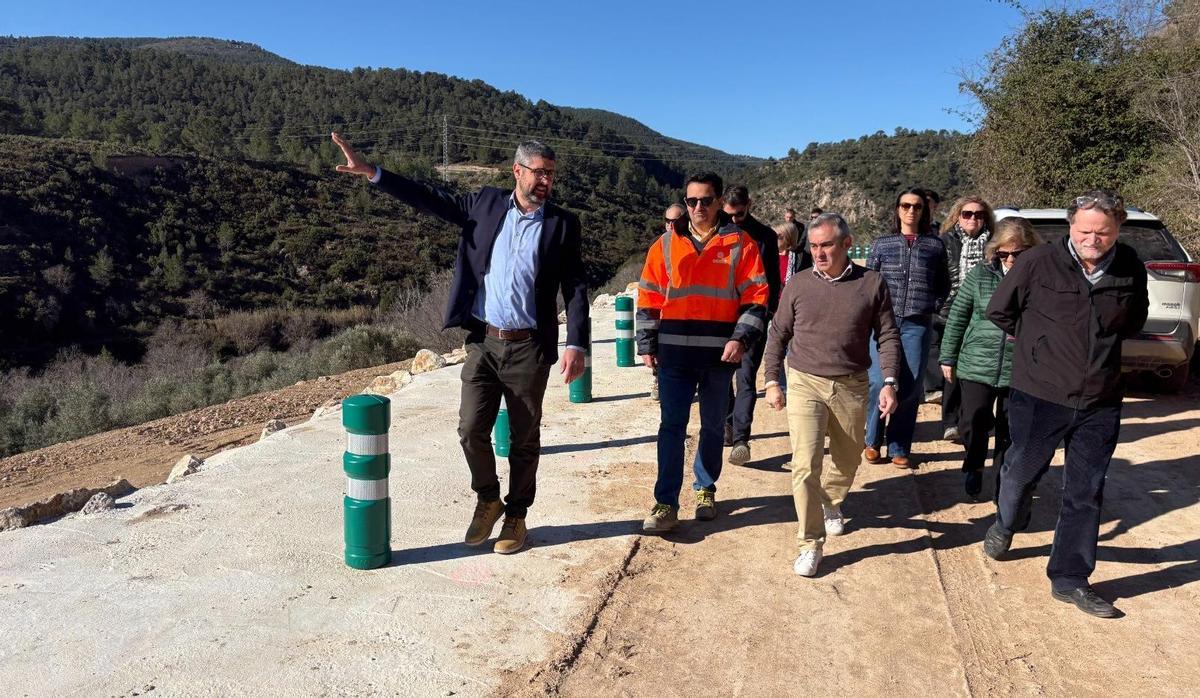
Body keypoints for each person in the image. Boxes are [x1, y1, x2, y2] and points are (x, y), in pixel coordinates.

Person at [332, 133, 589, 555]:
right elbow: (429, 198)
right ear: (517, 171)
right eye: (539, 172)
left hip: (529, 348)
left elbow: (576, 285)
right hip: (484, 342)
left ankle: (517, 515)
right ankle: (488, 498)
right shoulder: (485, 204)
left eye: (551, 174)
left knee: (525, 439)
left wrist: (577, 342)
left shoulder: (562, 223)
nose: (545, 180)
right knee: (471, 430)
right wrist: (373, 173)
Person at [983, 190, 1148, 618]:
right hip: (1040, 392)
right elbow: (1001, 311)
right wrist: (1039, 345)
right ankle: (1006, 523)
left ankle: (1070, 578)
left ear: (1118, 229)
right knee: (1021, 472)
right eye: (1086, 230)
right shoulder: (1038, 262)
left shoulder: (1130, 265)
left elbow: (1135, 319)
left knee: (1086, 490)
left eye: (1104, 232)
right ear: (1070, 226)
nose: (1094, 238)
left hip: (1101, 398)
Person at [762, 212, 900, 577]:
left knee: (848, 459)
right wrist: (772, 380)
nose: (819, 253)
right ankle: (810, 543)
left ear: (846, 245)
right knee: (806, 465)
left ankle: (832, 501)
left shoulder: (872, 283)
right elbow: (777, 334)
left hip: (852, 385)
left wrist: (888, 381)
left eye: (827, 245)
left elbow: (887, 335)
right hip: (805, 381)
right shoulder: (798, 284)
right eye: (813, 246)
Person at [637, 173, 769, 532]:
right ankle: (665, 503)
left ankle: (705, 489)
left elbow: (757, 299)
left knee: (712, 426)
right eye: (692, 201)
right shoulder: (665, 245)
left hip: (718, 356)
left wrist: (740, 339)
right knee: (671, 428)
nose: (698, 208)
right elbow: (648, 297)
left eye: (706, 201)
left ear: (718, 201)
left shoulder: (741, 244)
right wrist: (647, 344)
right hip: (674, 354)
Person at [939, 217, 1041, 501]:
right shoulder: (979, 275)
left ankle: (1002, 484)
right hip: (976, 363)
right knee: (973, 421)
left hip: (1018, 367)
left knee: (1009, 430)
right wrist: (948, 356)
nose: (1009, 259)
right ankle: (973, 465)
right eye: (1003, 253)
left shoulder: (1040, 279)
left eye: (1017, 254)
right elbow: (958, 316)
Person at [864, 188, 950, 468]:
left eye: (916, 206)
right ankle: (872, 439)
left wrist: (929, 305)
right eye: (905, 206)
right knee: (878, 380)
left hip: (917, 323)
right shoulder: (882, 244)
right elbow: (870, 281)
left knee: (911, 385)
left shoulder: (935, 246)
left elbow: (943, 284)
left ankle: (899, 445)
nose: (911, 211)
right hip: (882, 322)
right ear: (897, 209)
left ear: (924, 211)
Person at [722, 185, 781, 464]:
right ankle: (728, 424)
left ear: (750, 205)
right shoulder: (716, 233)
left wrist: (768, 315)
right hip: (720, 318)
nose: (735, 220)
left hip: (753, 319)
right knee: (721, 379)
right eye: (729, 214)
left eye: (740, 214)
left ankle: (741, 440)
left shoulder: (766, 237)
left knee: (745, 378)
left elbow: (772, 282)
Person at [933, 197, 998, 442]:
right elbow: (935, 277)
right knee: (952, 368)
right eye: (967, 214)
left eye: (979, 215)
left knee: (981, 368)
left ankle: (977, 418)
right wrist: (938, 303)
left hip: (984, 316)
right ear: (957, 216)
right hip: (951, 313)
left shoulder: (995, 244)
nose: (973, 219)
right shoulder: (945, 242)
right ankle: (951, 421)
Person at [650, 205, 687, 402]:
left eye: (676, 221)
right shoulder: (659, 247)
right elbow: (649, 291)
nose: (671, 226)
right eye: (668, 222)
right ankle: (658, 381)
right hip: (664, 318)